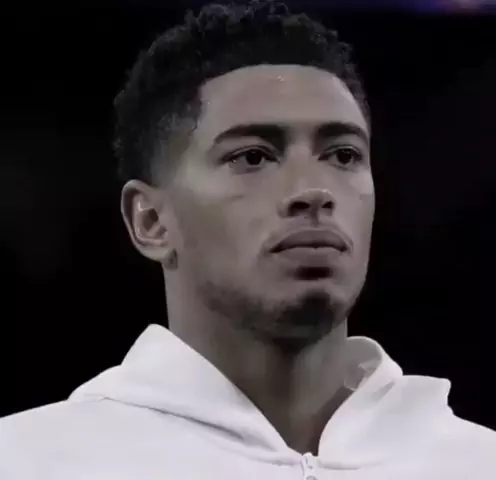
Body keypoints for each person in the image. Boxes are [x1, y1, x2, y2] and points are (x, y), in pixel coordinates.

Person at [1, 1, 495, 478]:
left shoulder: (475, 462)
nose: (313, 190)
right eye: (253, 157)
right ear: (151, 221)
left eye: (343, 155)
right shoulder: (29, 461)